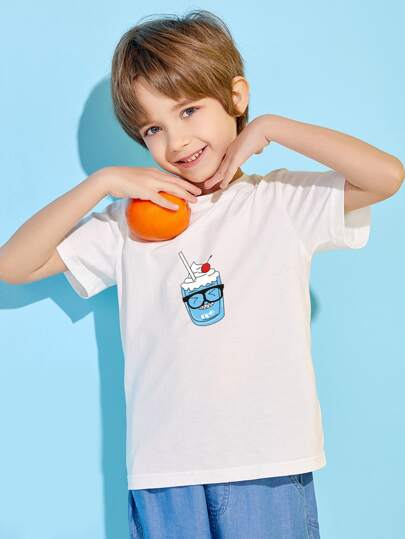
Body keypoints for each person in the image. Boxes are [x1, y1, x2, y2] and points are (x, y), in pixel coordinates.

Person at [1, 9, 403, 539]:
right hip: (164, 473)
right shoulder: (128, 223)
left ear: (235, 97)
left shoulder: (278, 201)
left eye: (189, 110)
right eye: (153, 128)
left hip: (268, 464)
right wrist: (101, 183)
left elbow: (386, 176)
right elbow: (14, 264)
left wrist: (270, 128)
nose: (177, 141)